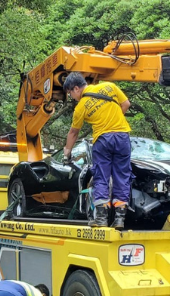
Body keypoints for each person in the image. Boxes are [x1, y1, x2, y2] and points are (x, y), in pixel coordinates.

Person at [62, 72, 132, 229]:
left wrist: (67, 151)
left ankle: (101, 219)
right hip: (122, 137)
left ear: (75, 89)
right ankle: (120, 219)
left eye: (70, 93)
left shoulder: (80, 108)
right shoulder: (109, 86)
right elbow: (126, 104)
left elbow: (73, 132)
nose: (72, 97)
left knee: (101, 177)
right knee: (122, 176)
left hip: (103, 140)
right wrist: (113, 121)